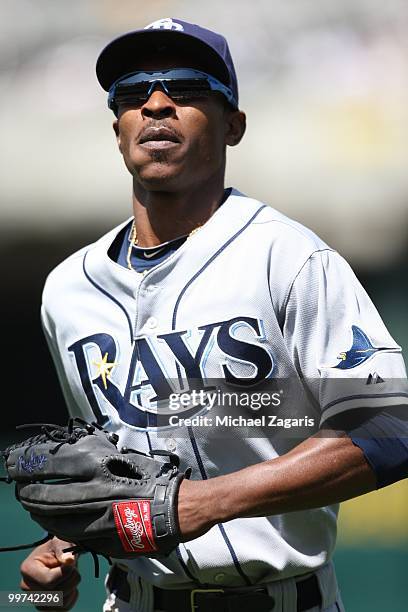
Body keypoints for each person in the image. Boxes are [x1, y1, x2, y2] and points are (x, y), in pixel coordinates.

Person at [19, 17, 408, 612]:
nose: (155, 104)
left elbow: (389, 430)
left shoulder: (286, 256)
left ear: (233, 126)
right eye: (133, 94)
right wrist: (61, 549)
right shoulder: (68, 289)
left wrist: (203, 501)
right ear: (117, 129)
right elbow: (106, 465)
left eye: (186, 88)